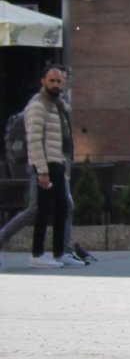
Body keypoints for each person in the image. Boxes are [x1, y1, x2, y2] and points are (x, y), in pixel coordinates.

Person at [21, 66, 76, 268]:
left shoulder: (56, 105)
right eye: (51, 81)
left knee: (62, 207)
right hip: (45, 164)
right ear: (43, 81)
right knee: (43, 209)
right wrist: (42, 170)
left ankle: (59, 252)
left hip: (57, 161)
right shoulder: (38, 105)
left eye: (59, 81)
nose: (56, 85)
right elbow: (34, 140)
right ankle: (37, 254)